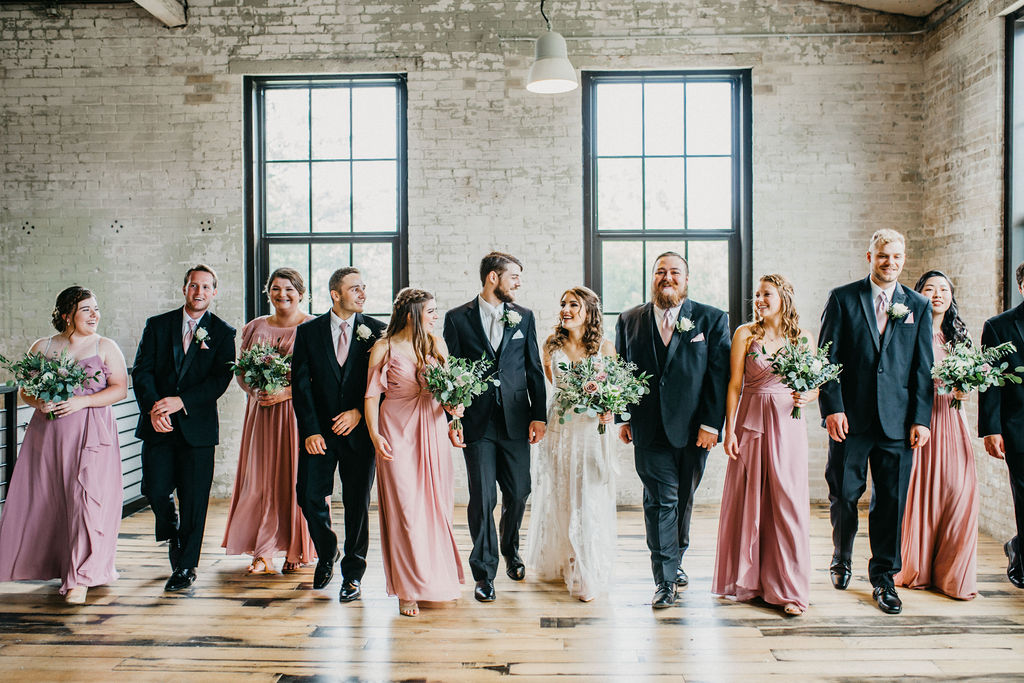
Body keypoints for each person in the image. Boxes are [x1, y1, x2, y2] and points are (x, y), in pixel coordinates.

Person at [818, 229, 933, 614]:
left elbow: (922, 369)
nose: (891, 263)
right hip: (850, 420)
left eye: (897, 256)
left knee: (891, 502)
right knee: (845, 495)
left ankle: (884, 579)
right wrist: (832, 408)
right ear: (870, 257)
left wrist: (921, 418)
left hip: (899, 424)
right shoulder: (843, 298)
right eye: (884, 256)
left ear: (904, 258)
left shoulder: (917, 304)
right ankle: (842, 554)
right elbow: (826, 360)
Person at [615, 251, 730, 609]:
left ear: (687, 278)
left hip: (696, 430)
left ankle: (675, 558)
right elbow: (622, 372)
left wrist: (712, 425)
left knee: (682, 499)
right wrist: (624, 417)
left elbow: (718, 377)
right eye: (660, 272)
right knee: (660, 502)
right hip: (648, 429)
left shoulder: (711, 319)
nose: (667, 277)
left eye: (674, 272)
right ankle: (664, 580)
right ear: (652, 278)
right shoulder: (629, 319)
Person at [0, 286, 128, 604]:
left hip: (92, 434)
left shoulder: (105, 346)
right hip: (49, 435)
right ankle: (60, 566)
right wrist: (39, 403)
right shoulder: (43, 347)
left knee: (88, 501)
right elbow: (25, 390)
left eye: (96, 308)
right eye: (87, 309)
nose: (95, 315)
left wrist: (82, 403)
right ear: (66, 314)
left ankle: (81, 578)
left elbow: (120, 389)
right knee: (50, 501)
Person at [442, 251, 547, 603]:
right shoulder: (457, 318)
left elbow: (533, 368)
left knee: (519, 493)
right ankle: (484, 572)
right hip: (477, 422)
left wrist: (539, 415)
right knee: (483, 497)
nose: (518, 283)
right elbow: (450, 374)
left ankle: (510, 548)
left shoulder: (525, 317)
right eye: (514, 276)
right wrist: (452, 420)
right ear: (493, 277)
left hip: (516, 420)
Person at [712, 274, 813, 616]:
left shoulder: (802, 339)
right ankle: (752, 581)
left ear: (783, 297)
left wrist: (809, 395)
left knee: (787, 502)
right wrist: (729, 430)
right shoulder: (745, 334)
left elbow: (814, 387)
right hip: (750, 421)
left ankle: (789, 589)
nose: (759, 300)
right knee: (750, 498)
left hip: (788, 424)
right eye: (756, 295)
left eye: (766, 294)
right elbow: (734, 385)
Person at [133, 265, 236, 593]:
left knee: (194, 500)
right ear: (184, 289)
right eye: (194, 285)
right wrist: (153, 408)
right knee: (155, 489)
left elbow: (220, 379)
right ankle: (170, 525)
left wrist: (181, 401)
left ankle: (186, 566)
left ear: (214, 292)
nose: (199, 292)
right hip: (158, 425)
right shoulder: (158, 325)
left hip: (198, 429)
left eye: (206, 287)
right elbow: (142, 371)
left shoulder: (223, 333)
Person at [364, 288, 465, 617]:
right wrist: (375, 435)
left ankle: (436, 580)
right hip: (396, 430)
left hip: (433, 430)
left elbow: (450, 391)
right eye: (431, 311)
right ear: (411, 315)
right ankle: (407, 589)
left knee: (435, 508)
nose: (436, 316)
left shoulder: (436, 345)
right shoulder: (384, 347)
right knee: (406, 510)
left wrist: (454, 416)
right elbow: (370, 397)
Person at [291, 266, 386, 601]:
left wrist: (360, 413)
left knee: (357, 504)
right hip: (320, 434)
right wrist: (311, 431)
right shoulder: (309, 332)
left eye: (364, 287)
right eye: (355, 288)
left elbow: (385, 385)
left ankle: (353, 574)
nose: (363, 293)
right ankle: (328, 548)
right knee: (308, 496)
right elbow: (300, 386)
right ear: (336, 294)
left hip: (360, 434)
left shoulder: (377, 332)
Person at [526, 287, 617, 602]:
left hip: (591, 430)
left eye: (573, 304)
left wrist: (609, 411)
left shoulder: (605, 348)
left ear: (589, 310)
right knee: (562, 491)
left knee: (587, 492)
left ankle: (585, 565)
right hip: (561, 428)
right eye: (562, 303)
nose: (565, 309)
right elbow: (552, 384)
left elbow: (614, 392)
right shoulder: (551, 346)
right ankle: (566, 555)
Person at [222, 268, 316, 574]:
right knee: (260, 481)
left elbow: (323, 378)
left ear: (301, 293)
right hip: (261, 414)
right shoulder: (254, 327)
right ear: (268, 293)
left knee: (296, 480)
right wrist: (256, 390)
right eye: (275, 289)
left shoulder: (315, 327)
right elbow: (240, 370)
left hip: (298, 414)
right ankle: (262, 552)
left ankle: (296, 549)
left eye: (289, 289)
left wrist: (287, 392)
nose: (282, 294)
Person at [895, 270, 978, 600]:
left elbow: (973, 377)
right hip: (918, 421)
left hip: (953, 421)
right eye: (930, 288)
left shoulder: (959, 337)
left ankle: (953, 575)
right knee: (920, 494)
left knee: (959, 492)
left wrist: (965, 389)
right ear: (918, 295)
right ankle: (918, 568)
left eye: (944, 289)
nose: (938, 294)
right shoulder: (906, 331)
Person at [979, 261, 1024, 590]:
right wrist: (991, 428)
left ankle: (1017, 547)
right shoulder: (998, 327)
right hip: (1018, 426)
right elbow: (990, 382)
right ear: (1021, 287)